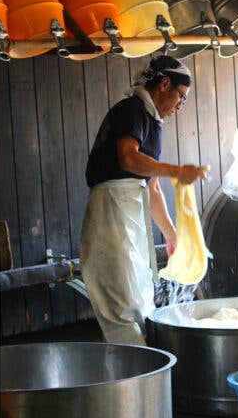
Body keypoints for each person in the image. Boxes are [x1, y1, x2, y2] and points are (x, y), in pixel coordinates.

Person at [79, 56, 207, 346]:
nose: (179, 106)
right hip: (111, 210)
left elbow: (153, 188)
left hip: (131, 213)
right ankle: (134, 381)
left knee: (140, 298)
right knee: (123, 303)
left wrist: (172, 235)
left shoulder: (153, 121)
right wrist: (177, 171)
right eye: (180, 98)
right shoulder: (131, 109)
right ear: (164, 84)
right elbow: (128, 158)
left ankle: (146, 376)